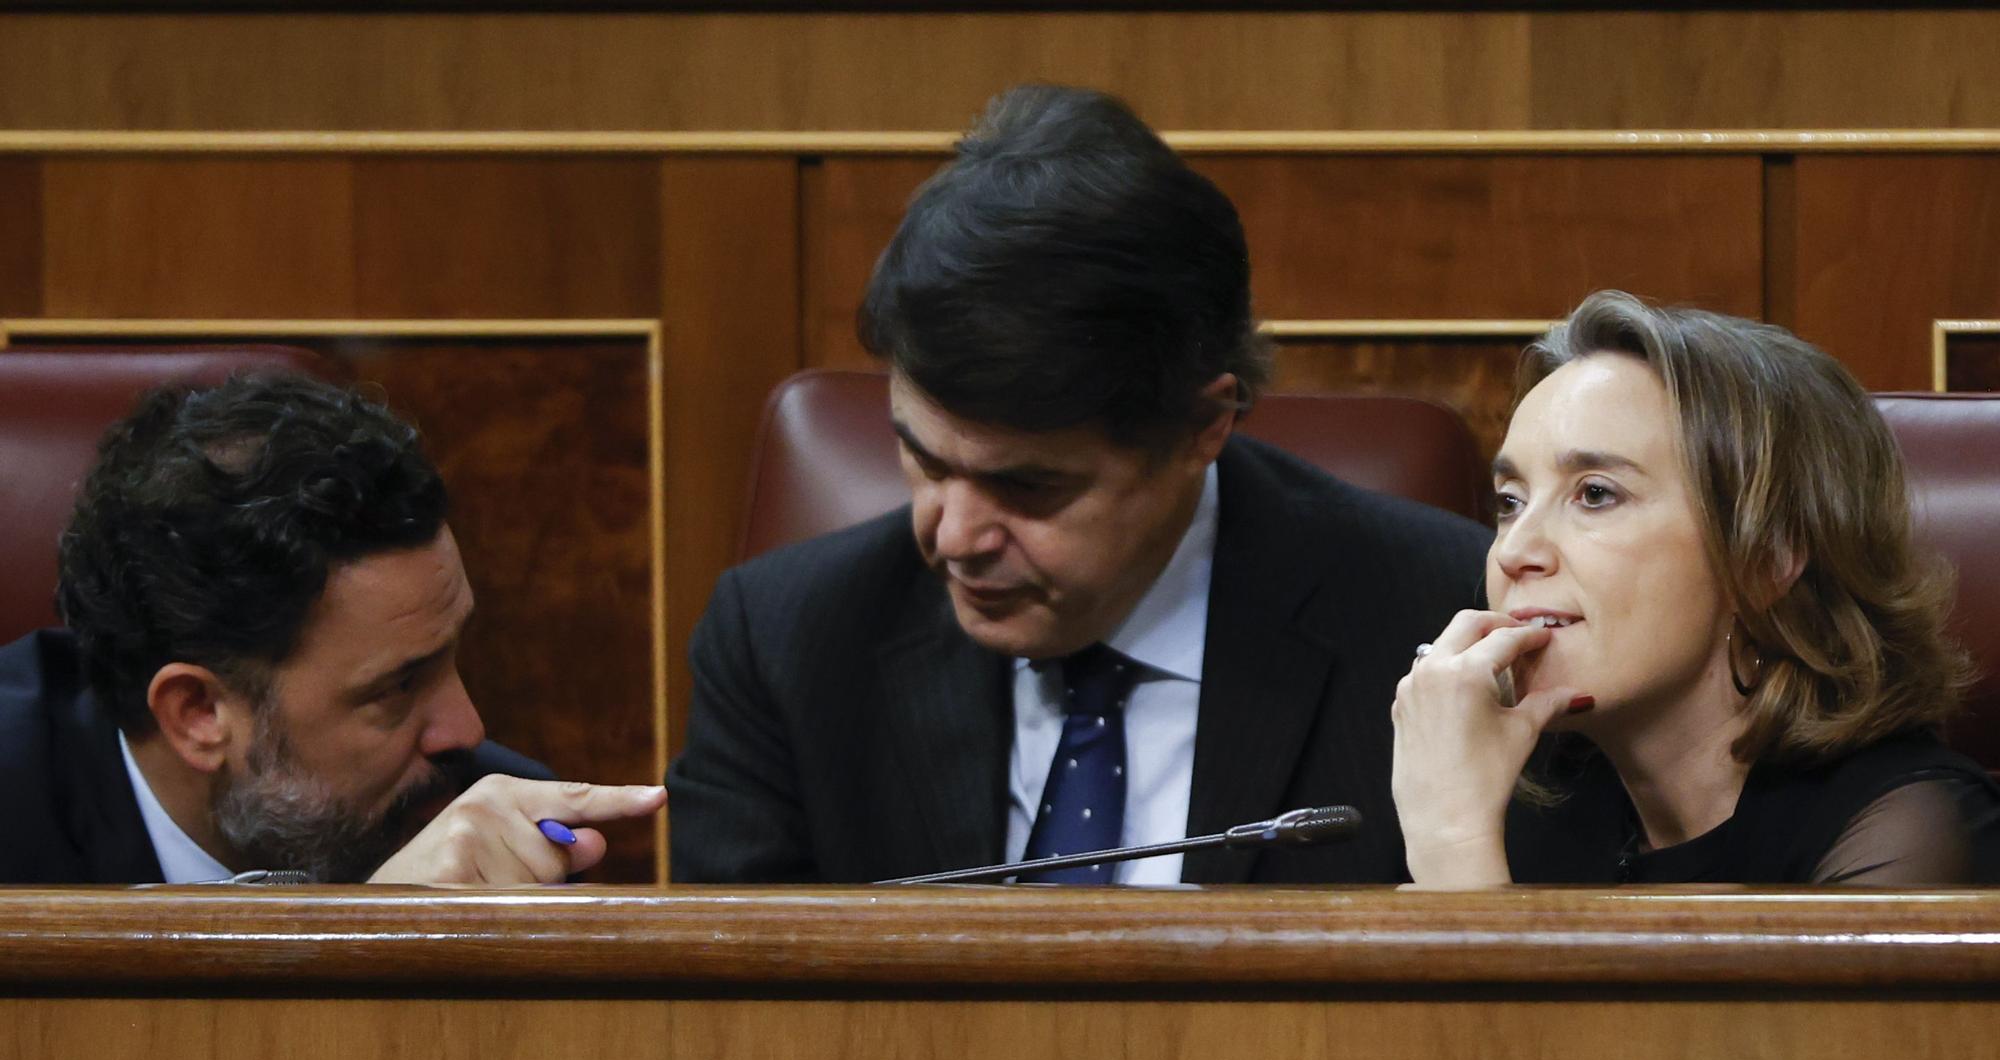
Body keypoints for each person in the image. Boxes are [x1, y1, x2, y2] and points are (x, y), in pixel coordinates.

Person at [667, 85, 1490, 885]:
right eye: (922, 457)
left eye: (1026, 486)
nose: (953, 537)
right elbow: (729, 1016)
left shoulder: (1436, 620)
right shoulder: (785, 647)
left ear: (1204, 426)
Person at [1391, 290, 2000, 885]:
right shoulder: (1500, 782)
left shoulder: (1911, 829)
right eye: (1509, 502)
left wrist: (1456, 849)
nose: (1513, 551)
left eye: (1596, 494)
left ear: (1765, 560)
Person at [0, 372, 664, 886]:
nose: (468, 729)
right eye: (398, 686)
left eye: (452, 655)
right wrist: (366, 948)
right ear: (199, 711)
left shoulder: (485, 837)